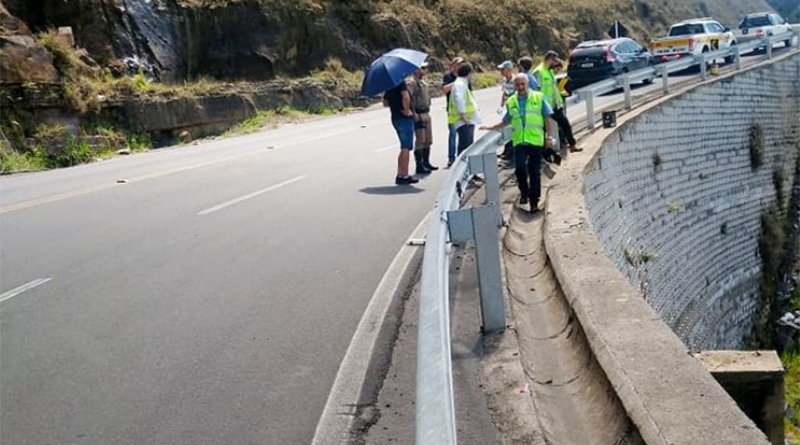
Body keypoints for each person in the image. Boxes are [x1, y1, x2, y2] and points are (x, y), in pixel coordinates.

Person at [481, 73, 556, 213]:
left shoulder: (538, 97)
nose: (520, 87)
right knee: (520, 169)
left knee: (534, 172)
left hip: (535, 141)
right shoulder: (512, 101)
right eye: (518, 85)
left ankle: (534, 202)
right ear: (514, 86)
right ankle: (524, 192)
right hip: (519, 142)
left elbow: (547, 118)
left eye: (523, 84)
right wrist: (491, 127)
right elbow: (506, 121)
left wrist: (549, 137)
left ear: (527, 84)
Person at [534, 50, 581, 152]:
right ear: (550, 59)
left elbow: (554, 89)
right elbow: (536, 90)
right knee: (543, 129)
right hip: (544, 106)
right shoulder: (539, 72)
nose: (556, 64)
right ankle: (542, 153)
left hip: (554, 105)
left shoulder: (549, 71)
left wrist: (558, 102)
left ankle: (572, 145)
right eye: (555, 61)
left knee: (565, 123)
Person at [383, 80, 419, 185]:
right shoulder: (400, 83)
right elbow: (406, 97)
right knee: (406, 147)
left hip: (395, 117)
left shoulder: (389, 85)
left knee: (403, 146)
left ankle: (400, 173)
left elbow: (385, 103)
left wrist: (395, 105)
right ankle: (405, 175)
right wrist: (407, 110)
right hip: (404, 118)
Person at [407, 62, 438, 174]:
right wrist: (413, 113)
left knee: (428, 140)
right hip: (418, 113)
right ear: (416, 69)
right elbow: (408, 98)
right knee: (420, 140)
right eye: (422, 68)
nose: (424, 70)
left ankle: (426, 162)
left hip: (426, 112)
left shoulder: (424, 83)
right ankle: (419, 165)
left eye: (425, 68)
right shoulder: (412, 83)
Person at [448, 63, 481, 160]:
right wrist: (463, 115)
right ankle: (464, 172)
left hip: (467, 120)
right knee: (465, 148)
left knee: (468, 146)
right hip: (463, 121)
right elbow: (459, 99)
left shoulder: (462, 83)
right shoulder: (459, 84)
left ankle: (469, 172)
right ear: (469, 73)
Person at [442, 57, 465, 167]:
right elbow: (445, 89)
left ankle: (463, 157)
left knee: (465, 135)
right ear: (453, 65)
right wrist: (457, 82)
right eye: (459, 64)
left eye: (462, 64)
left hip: (465, 111)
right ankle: (451, 158)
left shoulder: (465, 76)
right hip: (452, 111)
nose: (460, 66)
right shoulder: (448, 76)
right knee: (453, 134)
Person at [497, 60, 517, 161]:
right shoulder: (505, 80)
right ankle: (507, 151)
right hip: (509, 108)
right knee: (507, 127)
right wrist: (501, 105)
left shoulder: (515, 80)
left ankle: (510, 153)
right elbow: (505, 93)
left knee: (508, 127)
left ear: (509, 70)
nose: (501, 71)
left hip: (516, 109)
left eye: (503, 69)